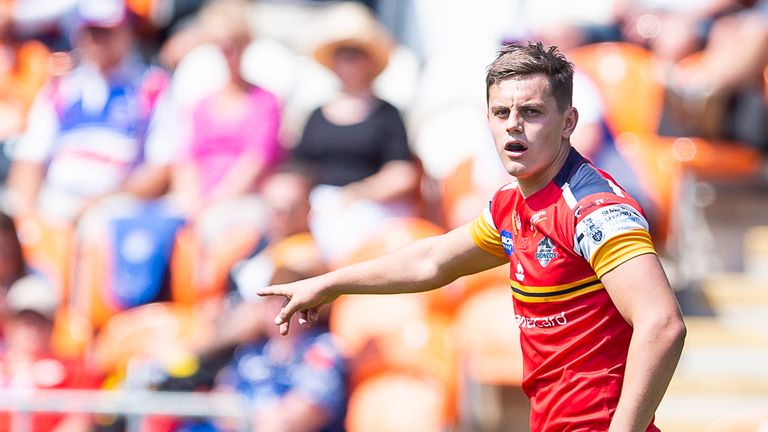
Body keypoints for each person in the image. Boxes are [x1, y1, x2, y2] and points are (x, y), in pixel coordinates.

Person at [258, 41, 687, 431]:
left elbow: (663, 324)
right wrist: (330, 283)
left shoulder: (594, 209)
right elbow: (433, 261)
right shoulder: (511, 203)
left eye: (532, 112)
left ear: (568, 121)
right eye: (502, 113)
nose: (513, 126)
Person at [290, 2, 420, 262]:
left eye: (354, 54)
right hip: (319, 209)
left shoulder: (387, 115)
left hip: (370, 210)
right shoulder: (316, 114)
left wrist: (354, 195)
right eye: (342, 54)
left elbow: (402, 175)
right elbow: (298, 168)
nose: (347, 62)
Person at [0, 274, 101, 432]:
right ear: (9, 323)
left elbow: (80, 421)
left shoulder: (74, 371)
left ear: (52, 324)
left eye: (39, 320)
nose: (31, 328)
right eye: (24, 320)